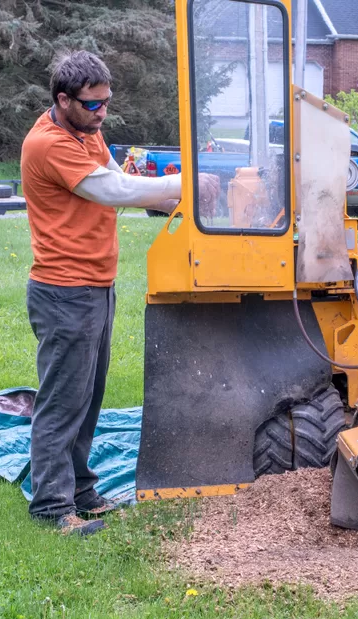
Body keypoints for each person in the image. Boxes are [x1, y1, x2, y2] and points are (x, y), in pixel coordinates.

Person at [20, 50, 219, 535]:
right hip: (64, 291)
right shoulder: (49, 143)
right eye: (92, 104)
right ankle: (51, 506)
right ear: (63, 100)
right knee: (63, 400)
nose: (102, 112)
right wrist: (186, 183)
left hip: (94, 286)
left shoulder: (86, 130)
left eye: (106, 102)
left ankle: (81, 490)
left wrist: (176, 199)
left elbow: (119, 176)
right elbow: (112, 190)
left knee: (88, 397)